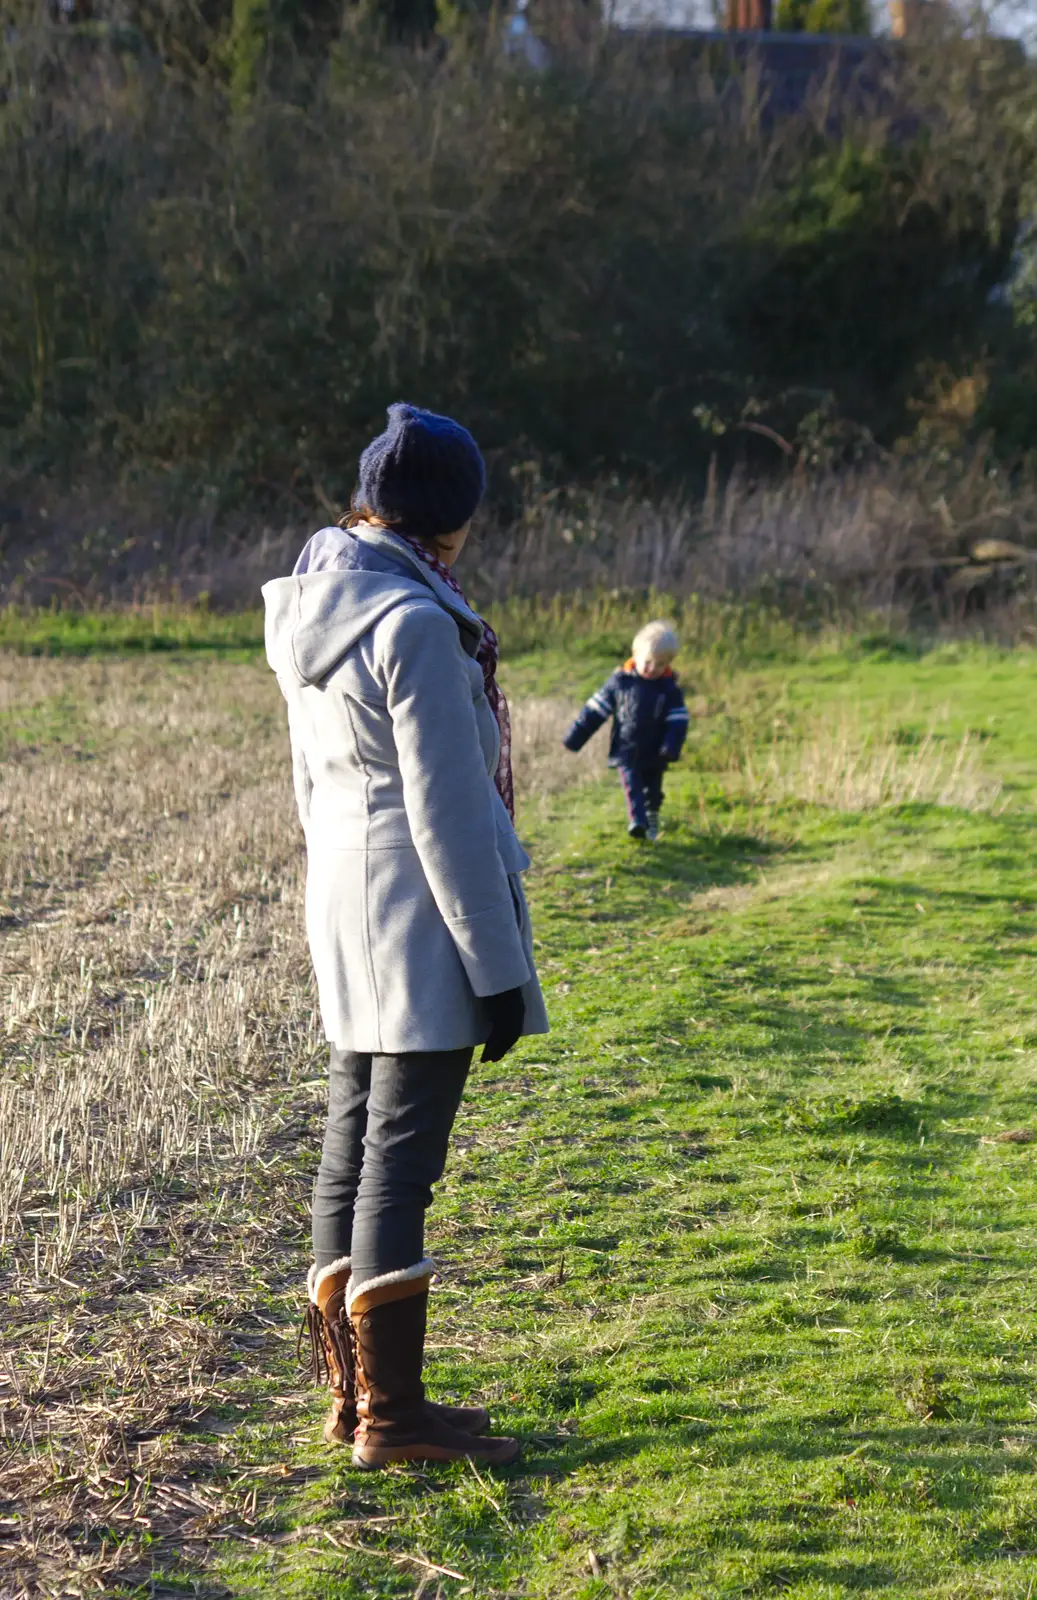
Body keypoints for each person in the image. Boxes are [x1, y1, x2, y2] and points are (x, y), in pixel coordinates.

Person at [263, 403, 548, 1470]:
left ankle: (353, 1399)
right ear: (452, 516)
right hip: (418, 916)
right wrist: (498, 968)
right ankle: (391, 1416)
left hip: (345, 901)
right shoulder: (417, 623)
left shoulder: (317, 603)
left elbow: (310, 788)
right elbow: (451, 817)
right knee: (398, 1164)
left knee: (353, 1147)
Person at [562, 620, 689, 840]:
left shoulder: (669, 690)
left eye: (659, 665)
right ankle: (638, 822)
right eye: (647, 662)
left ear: (668, 664)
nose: (652, 669)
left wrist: (671, 745)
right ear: (635, 654)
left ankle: (651, 817)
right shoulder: (619, 683)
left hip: (656, 750)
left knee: (653, 790)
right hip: (626, 748)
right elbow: (595, 710)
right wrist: (576, 736)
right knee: (633, 786)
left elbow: (678, 721)